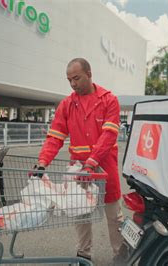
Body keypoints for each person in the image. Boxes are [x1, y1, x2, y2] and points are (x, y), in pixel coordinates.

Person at [37, 58, 125, 263]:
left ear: (89, 73)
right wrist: (42, 162)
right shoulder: (67, 104)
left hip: (104, 168)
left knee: (113, 215)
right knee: (81, 214)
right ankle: (83, 256)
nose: (73, 84)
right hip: (79, 171)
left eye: (76, 78)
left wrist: (92, 162)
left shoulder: (109, 100)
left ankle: (120, 254)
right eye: (69, 80)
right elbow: (55, 137)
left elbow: (109, 135)